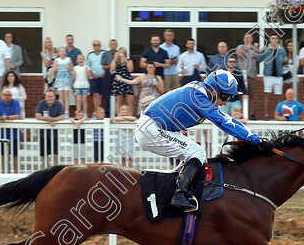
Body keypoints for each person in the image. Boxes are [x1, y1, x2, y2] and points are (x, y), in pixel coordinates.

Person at [136, 70, 266, 211]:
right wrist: (255, 140)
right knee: (196, 152)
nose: (225, 102)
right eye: (225, 97)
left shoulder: (201, 92)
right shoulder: (199, 96)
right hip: (151, 130)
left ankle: (181, 191)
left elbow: (228, 119)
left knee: (195, 153)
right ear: (215, 90)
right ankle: (179, 195)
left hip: (154, 127)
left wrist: (256, 138)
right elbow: (223, 122)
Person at [0, 89, 21, 172]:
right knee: (3, 154)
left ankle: (16, 172)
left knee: (15, 154)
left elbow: (17, 116)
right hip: (2, 134)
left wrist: (6, 118)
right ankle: (4, 171)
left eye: (9, 95)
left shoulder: (16, 103)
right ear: (2, 96)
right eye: (5, 94)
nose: (7, 96)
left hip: (14, 134)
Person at [259, 33, 287, 119]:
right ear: (270, 40)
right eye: (272, 38)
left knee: (278, 96)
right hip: (268, 75)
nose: (274, 40)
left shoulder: (282, 50)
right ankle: (266, 114)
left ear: (278, 40)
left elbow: (286, 61)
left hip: (278, 76)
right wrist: (262, 51)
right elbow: (259, 60)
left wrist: (286, 61)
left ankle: (278, 114)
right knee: (267, 95)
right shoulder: (266, 49)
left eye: (276, 38)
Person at [35, 89, 65, 167]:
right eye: (48, 96)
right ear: (45, 97)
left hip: (54, 133)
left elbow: (62, 116)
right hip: (43, 133)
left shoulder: (58, 104)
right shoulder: (41, 104)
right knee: (44, 155)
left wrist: (52, 119)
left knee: (55, 154)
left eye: (51, 96)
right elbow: (37, 116)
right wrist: (48, 119)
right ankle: (46, 170)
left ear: (55, 97)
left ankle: (55, 171)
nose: (50, 98)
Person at [110, 47, 135, 116]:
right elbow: (112, 68)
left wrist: (125, 59)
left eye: (122, 52)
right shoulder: (115, 61)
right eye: (119, 52)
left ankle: (130, 115)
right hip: (118, 81)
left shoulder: (129, 61)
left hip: (127, 80)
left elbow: (130, 70)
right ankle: (119, 115)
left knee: (130, 100)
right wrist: (115, 58)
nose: (121, 54)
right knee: (119, 100)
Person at [52, 46, 73, 115]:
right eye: (61, 51)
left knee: (66, 95)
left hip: (66, 78)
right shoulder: (57, 60)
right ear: (58, 53)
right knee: (61, 96)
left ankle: (67, 111)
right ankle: (61, 111)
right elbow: (54, 70)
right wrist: (55, 66)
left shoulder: (68, 59)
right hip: (60, 78)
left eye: (64, 51)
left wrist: (69, 67)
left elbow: (71, 68)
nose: (63, 53)